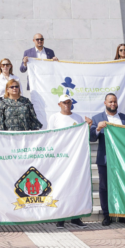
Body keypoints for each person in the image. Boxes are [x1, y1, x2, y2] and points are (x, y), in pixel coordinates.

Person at [90, 94, 125, 227]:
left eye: (115, 102)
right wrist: (98, 128)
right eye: (110, 102)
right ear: (105, 103)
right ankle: (107, 215)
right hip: (105, 159)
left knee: (124, 186)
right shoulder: (97, 118)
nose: (113, 104)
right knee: (104, 187)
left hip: (123, 160)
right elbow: (91, 138)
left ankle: (124, 214)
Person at [47, 95, 92, 229]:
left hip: (75, 157)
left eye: (69, 102)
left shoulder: (78, 118)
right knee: (61, 186)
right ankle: (61, 218)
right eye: (64, 102)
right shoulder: (54, 118)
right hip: (60, 157)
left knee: (76, 186)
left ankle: (76, 217)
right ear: (59, 104)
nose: (67, 104)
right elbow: (50, 136)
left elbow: (83, 135)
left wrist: (88, 125)